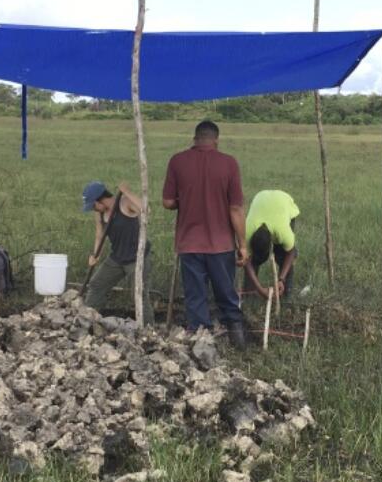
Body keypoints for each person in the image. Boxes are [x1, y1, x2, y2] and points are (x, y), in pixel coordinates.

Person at [162, 120, 248, 347]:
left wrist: (185, 199)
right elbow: (236, 208)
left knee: (195, 295)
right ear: (216, 140)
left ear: (195, 138)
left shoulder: (177, 161)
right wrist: (243, 244)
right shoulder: (229, 163)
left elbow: (168, 202)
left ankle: (202, 340)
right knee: (225, 290)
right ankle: (236, 335)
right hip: (221, 244)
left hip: (189, 242)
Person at [80, 179, 152, 324]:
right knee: (96, 284)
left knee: (138, 294)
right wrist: (96, 255)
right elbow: (99, 235)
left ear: (101, 200)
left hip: (137, 258)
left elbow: (146, 211)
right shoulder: (99, 213)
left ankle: (149, 330)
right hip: (117, 258)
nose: (93, 209)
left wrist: (127, 191)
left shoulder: (125, 202)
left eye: (93, 205)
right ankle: (87, 321)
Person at [242, 189, 300, 299]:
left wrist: (281, 279)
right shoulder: (246, 232)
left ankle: (285, 293)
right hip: (262, 197)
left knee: (282, 255)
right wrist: (260, 289)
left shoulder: (282, 231)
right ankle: (249, 293)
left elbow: (291, 252)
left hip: (284, 201)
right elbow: (246, 260)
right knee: (254, 260)